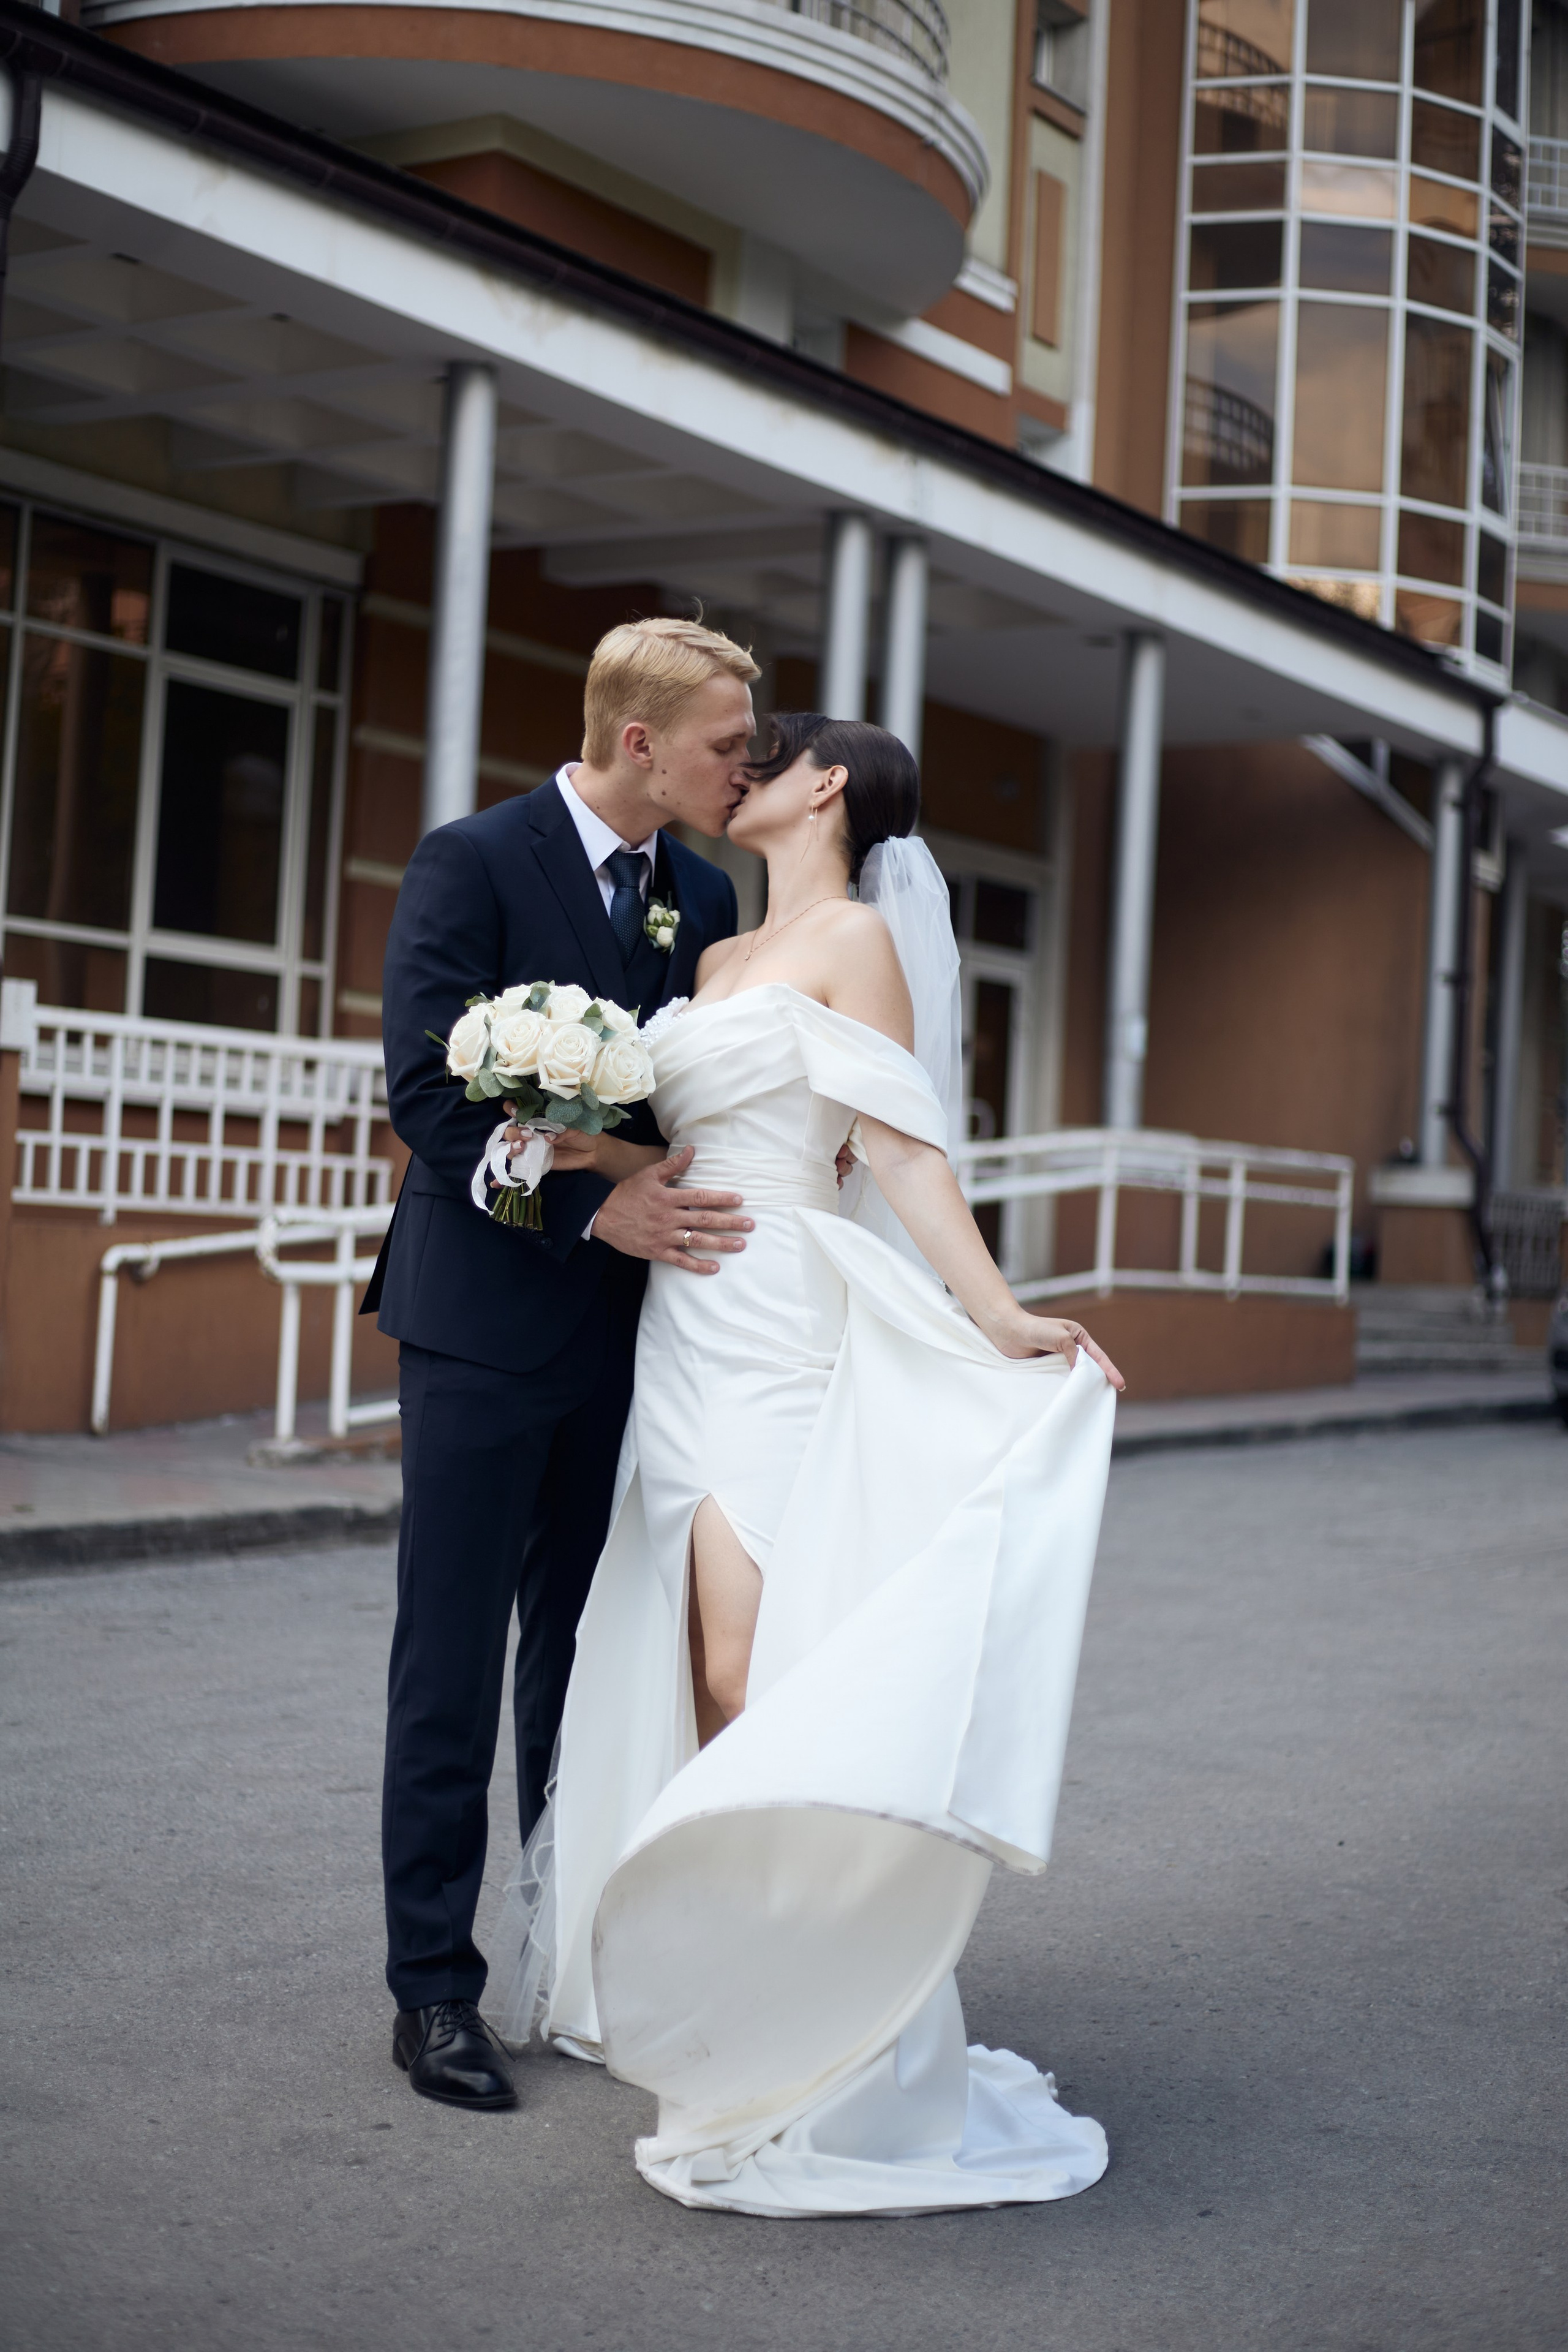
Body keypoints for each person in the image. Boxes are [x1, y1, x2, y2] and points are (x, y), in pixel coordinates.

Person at [494, 713, 1126, 2214]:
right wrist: (566, 1136)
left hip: (776, 1318)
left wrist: (998, 1313)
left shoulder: (855, 942)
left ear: (827, 786)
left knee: (750, 1664)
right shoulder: (714, 953)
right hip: (680, 1322)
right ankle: (736, 1980)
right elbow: (680, 1137)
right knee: (688, 1667)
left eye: (766, 755)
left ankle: (826, 2013)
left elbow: (897, 1149)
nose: (740, 773)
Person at [363, 617, 766, 2113]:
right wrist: (592, 1209)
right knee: (451, 1660)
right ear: (638, 742)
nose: (746, 767)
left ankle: (566, 1953)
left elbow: (686, 1109)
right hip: (479, 1329)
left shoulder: (704, 893)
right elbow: (430, 1101)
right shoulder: (472, 861)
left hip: (630, 1341)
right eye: (726, 743)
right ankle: (432, 1991)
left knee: (588, 1659)